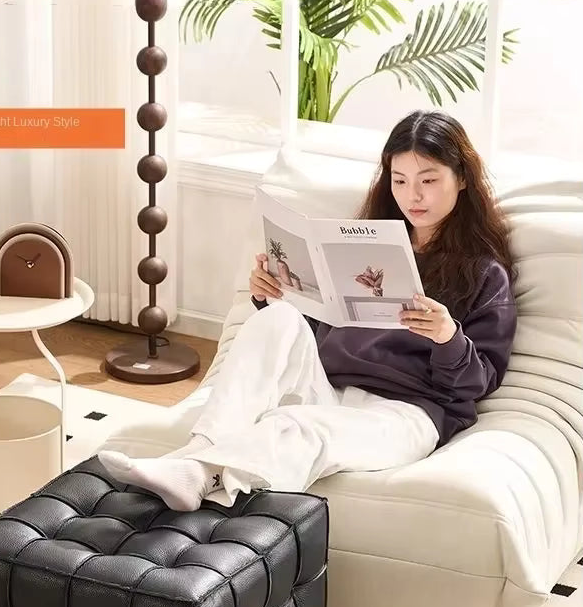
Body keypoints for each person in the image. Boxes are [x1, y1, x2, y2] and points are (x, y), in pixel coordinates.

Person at [98, 110, 518, 511]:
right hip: (329, 386)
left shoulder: (483, 274)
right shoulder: (365, 241)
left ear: (461, 179)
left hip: (408, 412)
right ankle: (199, 452)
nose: (414, 195)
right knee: (275, 318)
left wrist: (448, 338)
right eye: (401, 180)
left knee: (296, 427)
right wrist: (274, 292)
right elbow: (317, 320)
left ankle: (194, 472)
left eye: (429, 179)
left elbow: (479, 383)